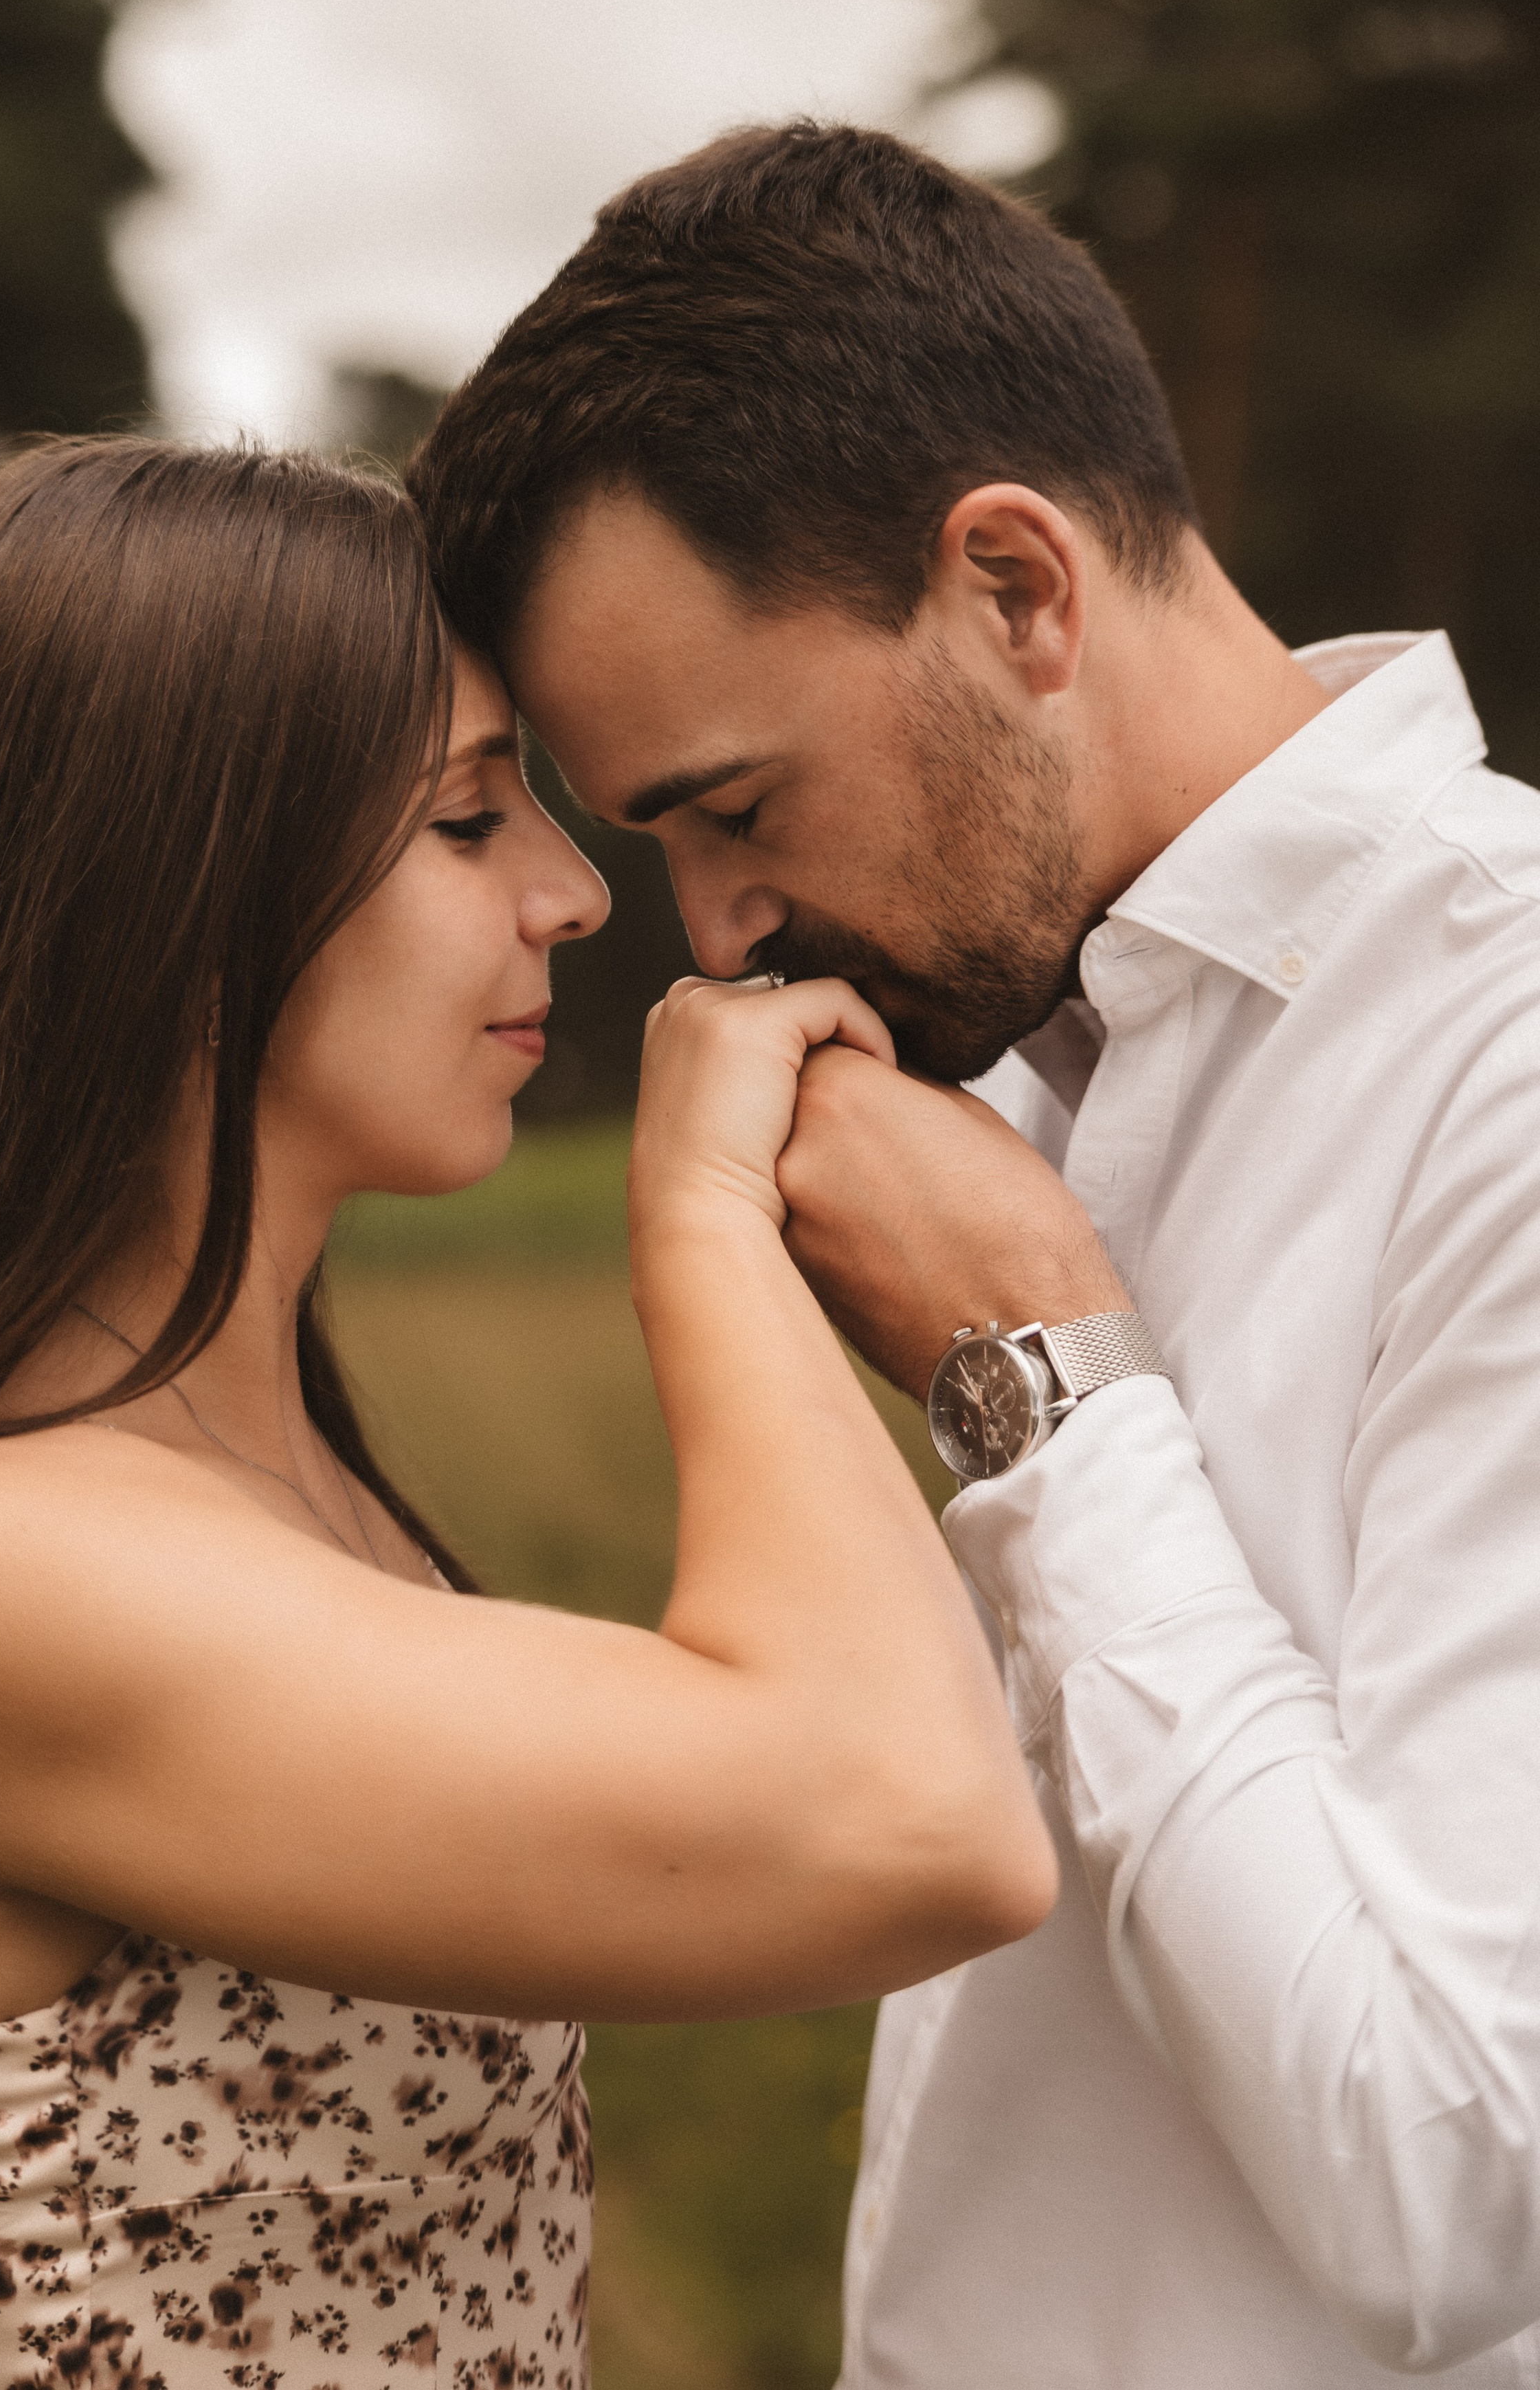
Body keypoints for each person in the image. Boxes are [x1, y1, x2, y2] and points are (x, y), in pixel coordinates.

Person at [408, 120, 1540, 2388]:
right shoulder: (993, 1054)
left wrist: (1042, 1380)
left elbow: (1459, 2178)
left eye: (733, 807)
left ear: (1017, 587)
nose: (713, 935)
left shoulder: (1500, 1059)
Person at [0, 436, 1055, 2390]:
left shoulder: (259, 1476)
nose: (569, 891)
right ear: (185, 882)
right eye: (470, 821)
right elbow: (912, 1822)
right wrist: (705, 1222)